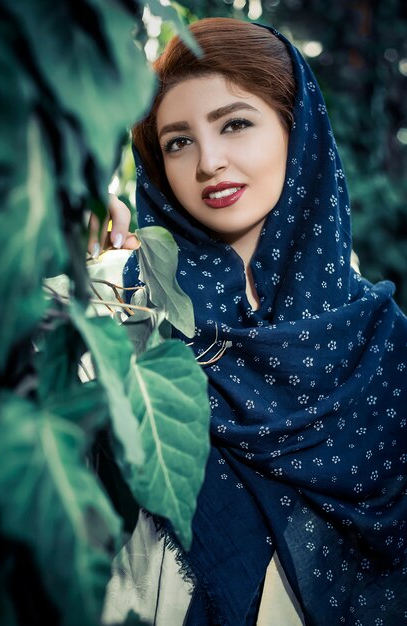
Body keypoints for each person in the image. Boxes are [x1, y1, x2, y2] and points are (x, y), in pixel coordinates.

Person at [101, 17, 407, 625]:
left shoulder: (383, 345)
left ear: (299, 133)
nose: (209, 161)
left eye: (235, 124)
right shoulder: (122, 307)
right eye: (178, 141)